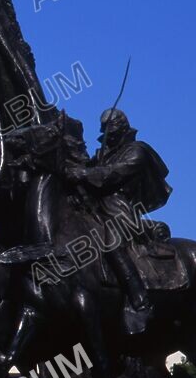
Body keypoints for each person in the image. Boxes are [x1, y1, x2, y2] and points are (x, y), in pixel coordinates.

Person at [65, 108, 172, 333]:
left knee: (110, 242)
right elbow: (90, 168)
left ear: (122, 129)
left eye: (111, 132)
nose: (108, 137)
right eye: (105, 133)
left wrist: (84, 175)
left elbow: (116, 174)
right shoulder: (103, 153)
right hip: (93, 208)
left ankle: (140, 300)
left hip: (119, 209)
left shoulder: (137, 151)